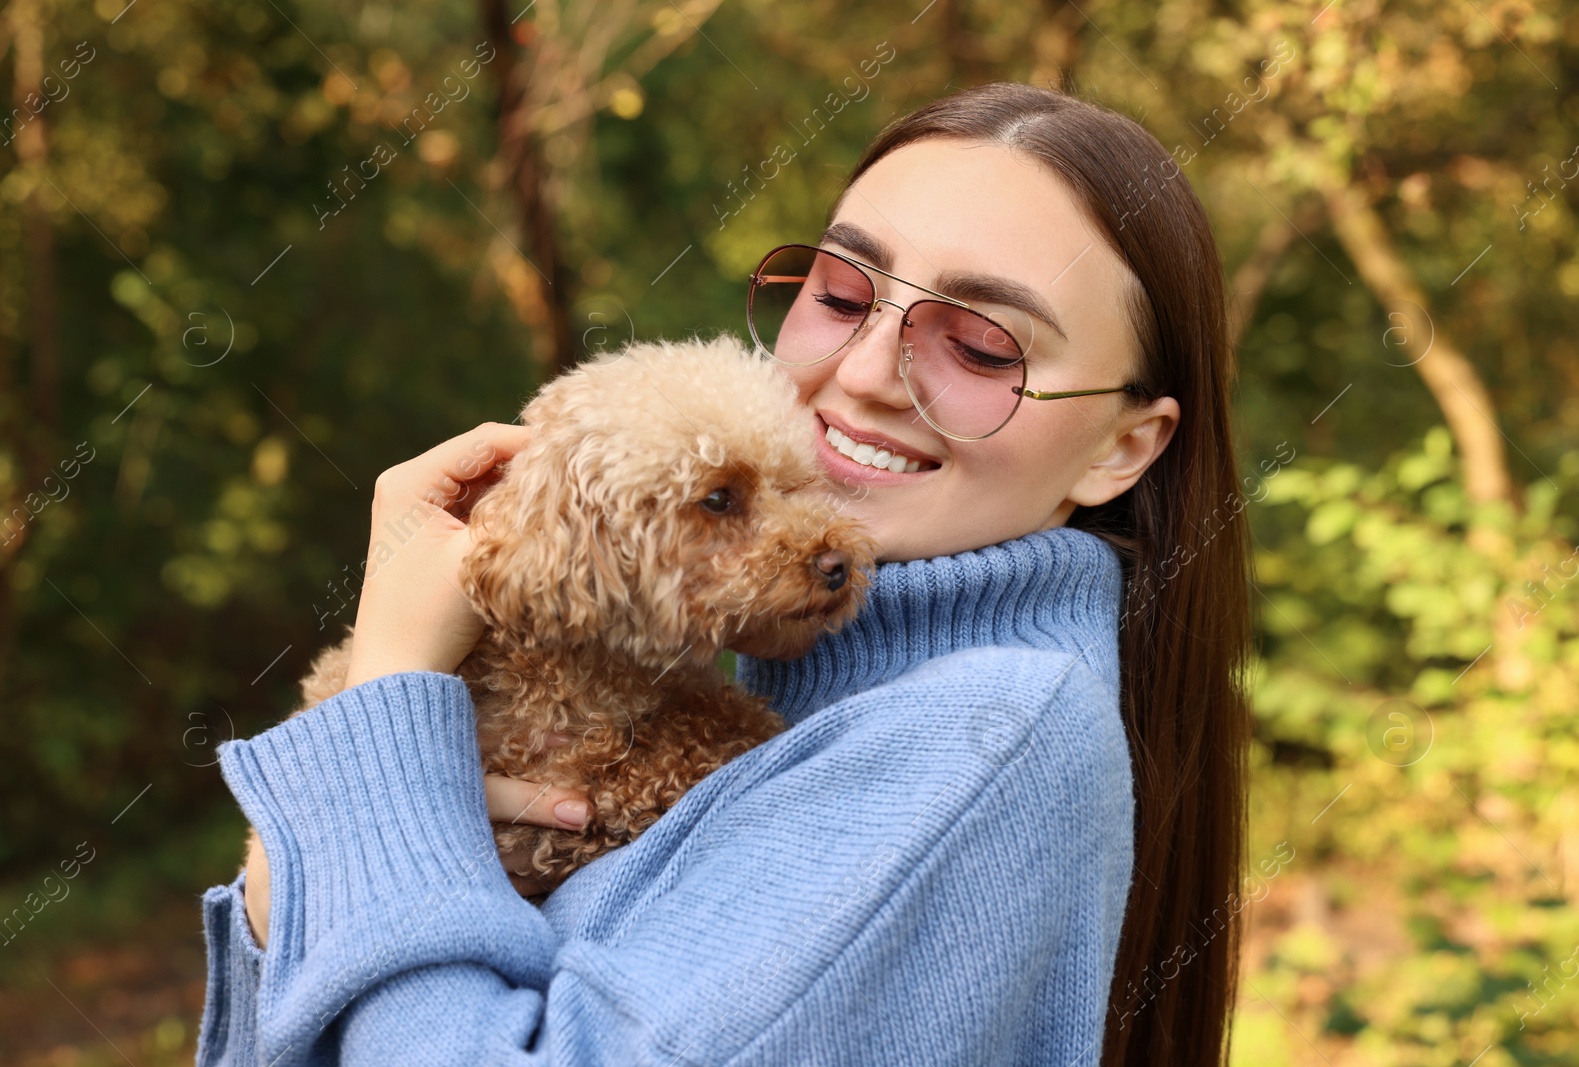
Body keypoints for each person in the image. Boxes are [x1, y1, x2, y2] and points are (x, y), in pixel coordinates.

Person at [198, 82, 1251, 1066]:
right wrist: (285, 880)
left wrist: (382, 722)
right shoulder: (745, 674)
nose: (866, 371)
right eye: (843, 294)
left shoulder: (986, 731)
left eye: (980, 346)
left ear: (1125, 444)